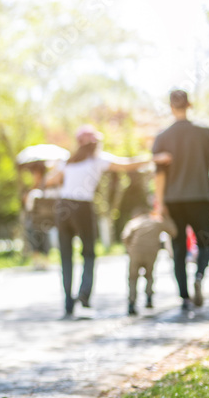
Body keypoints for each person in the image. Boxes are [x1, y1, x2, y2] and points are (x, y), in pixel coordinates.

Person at [50, 125, 152, 318]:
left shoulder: (67, 161)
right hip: (82, 207)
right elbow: (127, 165)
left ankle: (68, 303)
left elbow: (51, 181)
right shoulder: (98, 159)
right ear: (94, 143)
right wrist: (152, 158)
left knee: (65, 256)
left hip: (63, 207)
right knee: (88, 252)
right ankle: (84, 294)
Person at [152, 90, 209, 312]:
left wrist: (160, 203)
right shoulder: (205, 133)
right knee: (205, 243)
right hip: (200, 198)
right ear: (190, 105)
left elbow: (160, 175)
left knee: (177, 249)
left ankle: (184, 297)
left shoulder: (162, 137)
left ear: (170, 107)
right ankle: (199, 275)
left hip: (173, 200)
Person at [122, 205, 177, 315]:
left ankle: (132, 303)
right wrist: (166, 216)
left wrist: (129, 249)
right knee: (149, 275)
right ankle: (149, 299)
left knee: (133, 278)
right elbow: (173, 232)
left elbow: (125, 236)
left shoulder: (133, 222)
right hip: (151, 252)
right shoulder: (156, 222)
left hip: (135, 252)